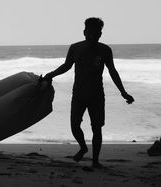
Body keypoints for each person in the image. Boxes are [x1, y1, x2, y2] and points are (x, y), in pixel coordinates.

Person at [44, 17, 134, 168]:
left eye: (97, 33)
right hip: (78, 94)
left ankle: (95, 161)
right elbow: (66, 66)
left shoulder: (105, 50)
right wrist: (50, 74)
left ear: (100, 34)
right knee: (74, 125)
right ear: (85, 32)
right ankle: (83, 147)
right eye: (90, 33)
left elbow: (112, 71)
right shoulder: (75, 48)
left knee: (97, 128)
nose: (94, 36)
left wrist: (123, 93)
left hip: (97, 95)